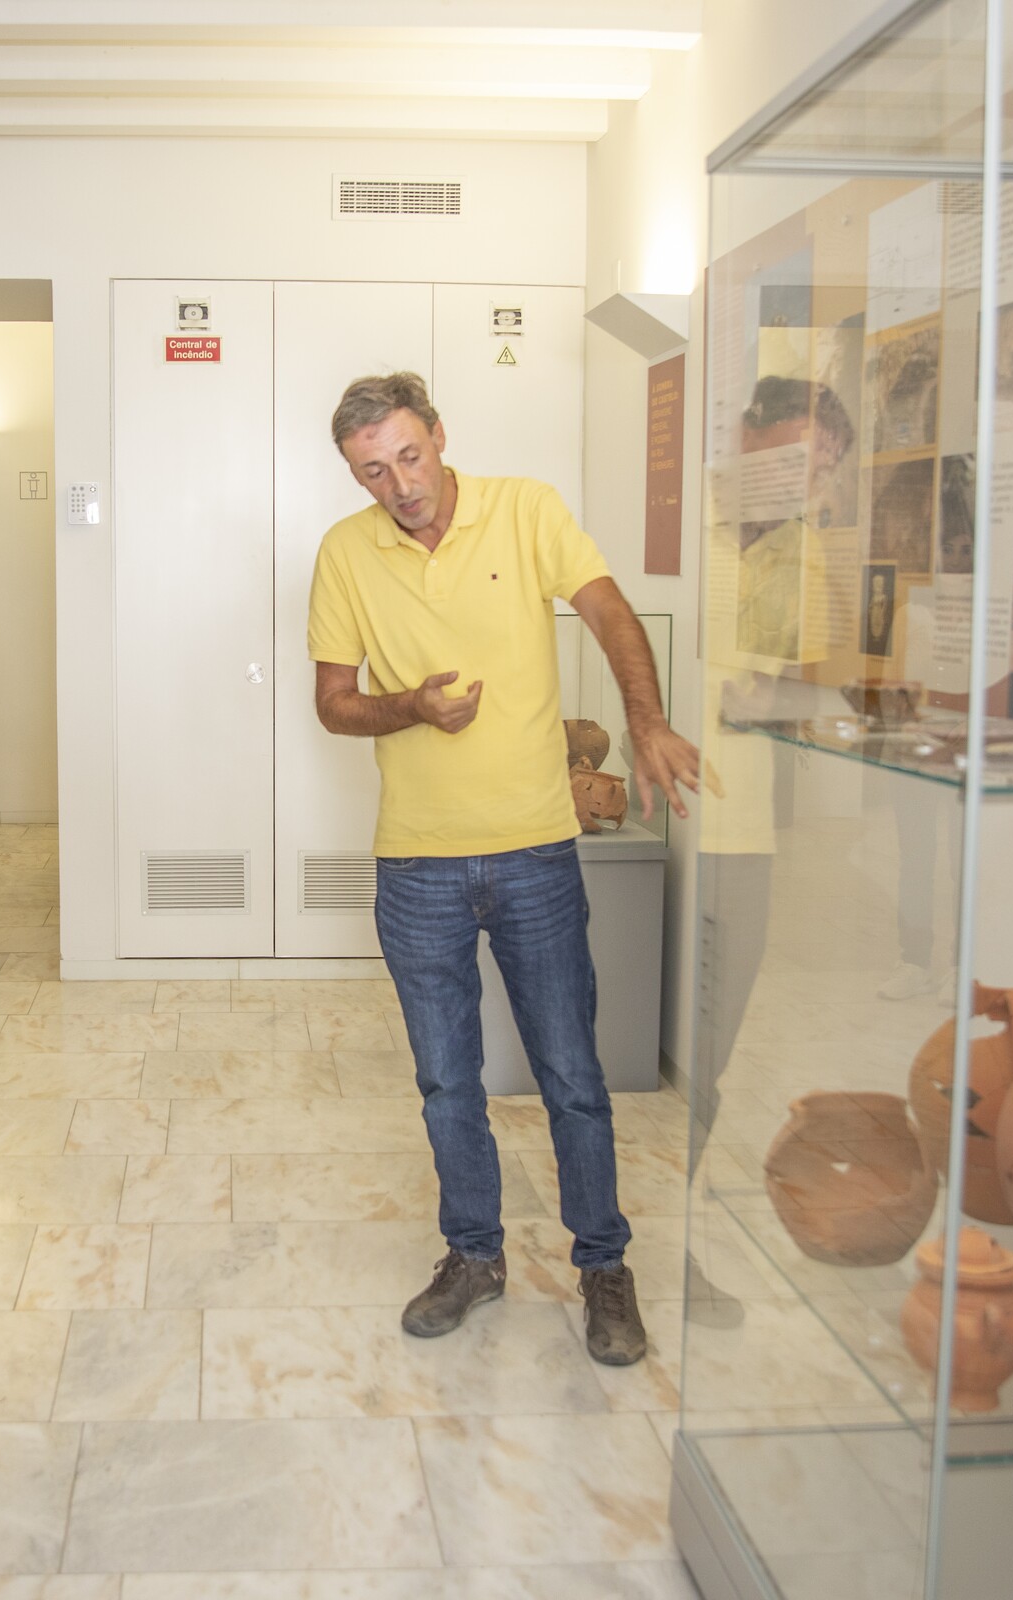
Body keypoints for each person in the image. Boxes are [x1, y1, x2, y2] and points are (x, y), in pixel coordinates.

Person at [307, 372, 700, 1367]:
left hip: (534, 851)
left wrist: (645, 719)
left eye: (408, 454)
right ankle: (474, 1255)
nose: (397, 484)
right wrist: (412, 707)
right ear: (353, 476)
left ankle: (604, 1265)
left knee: (572, 1073)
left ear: (439, 436)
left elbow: (610, 612)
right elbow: (335, 702)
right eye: (371, 471)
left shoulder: (526, 509)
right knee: (448, 1081)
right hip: (417, 867)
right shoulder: (345, 553)